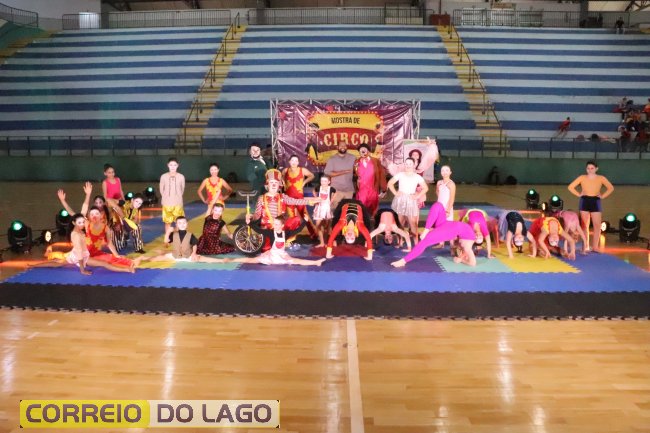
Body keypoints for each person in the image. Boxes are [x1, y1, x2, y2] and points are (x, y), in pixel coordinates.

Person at [33, 213, 138, 274]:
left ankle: (34, 265)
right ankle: (128, 270)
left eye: (83, 222)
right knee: (104, 264)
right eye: (79, 223)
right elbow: (79, 252)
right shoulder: (75, 234)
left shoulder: (79, 230)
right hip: (80, 256)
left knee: (58, 263)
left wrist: (87, 196)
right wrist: (82, 269)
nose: (82, 224)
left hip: (79, 254)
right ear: (74, 223)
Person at [203, 217, 326, 267]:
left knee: (296, 261)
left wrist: (305, 221)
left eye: (277, 224)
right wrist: (250, 223)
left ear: (282, 225)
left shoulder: (286, 233)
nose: (275, 226)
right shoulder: (271, 232)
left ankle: (316, 262)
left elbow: (297, 230)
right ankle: (230, 260)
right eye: (274, 224)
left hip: (281, 255)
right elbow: (258, 229)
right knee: (251, 260)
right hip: (271, 256)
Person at [248, 169, 320, 251]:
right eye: (271, 182)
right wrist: (251, 217)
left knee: (296, 219)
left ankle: (286, 240)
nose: (274, 184)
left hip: (281, 228)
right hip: (268, 230)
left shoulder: (283, 197)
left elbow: (296, 201)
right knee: (266, 249)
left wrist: (310, 201)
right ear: (267, 185)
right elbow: (257, 215)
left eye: (276, 183)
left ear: (279, 185)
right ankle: (274, 242)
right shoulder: (261, 198)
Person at [391, 203, 477, 268]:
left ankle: (403, 261)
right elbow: (471, 260)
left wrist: (461, 260)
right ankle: (426, 229)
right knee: (438, 205)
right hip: (445, 225)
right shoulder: (468, 244)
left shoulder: (467, 246)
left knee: (425, 241)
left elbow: (473, 263)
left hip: (450, 230)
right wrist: (461, 258)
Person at [567, 161, 614, 252]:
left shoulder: (601, 178)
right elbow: (570, 187)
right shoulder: (582, 177)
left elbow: (611, 188)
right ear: (586, 169)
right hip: (584, 201)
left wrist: (603, 196)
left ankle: (595, 247)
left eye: (592, 168)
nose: (590, 170)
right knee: (585, 225)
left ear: (596, 169)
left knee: (597, 225)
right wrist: (578, 194)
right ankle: (586, 246)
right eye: (588, 168)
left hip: (596, 201)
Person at [387, 158, 428, 244]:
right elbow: (390, 183)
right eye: (406, 164)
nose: (408, 165)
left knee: (413, 223)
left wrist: (417, 196)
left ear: (414, 165)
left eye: (410, 164)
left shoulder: (417, 176)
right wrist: (395, 193)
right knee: (400, 222)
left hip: (411, 200)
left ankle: (416, 243)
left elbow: (425, 188)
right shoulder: (400, 174)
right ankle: (400, 241)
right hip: (400, 200)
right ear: (404, 165)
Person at [282, 154, 317, 241]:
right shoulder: (285, 170)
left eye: (296, 161)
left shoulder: (302, 170)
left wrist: (304, 182)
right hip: (289, 199)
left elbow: (312, 175)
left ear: (298, 162)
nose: (294, 162)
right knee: (291, 218)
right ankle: (291, 236)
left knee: (305, 216)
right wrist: (283, 183)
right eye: (292, 160)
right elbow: (281, 178)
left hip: (299, 198)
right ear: (289, 161)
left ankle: (313, 234)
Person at [354, 144, 386, 216]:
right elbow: (355, 175)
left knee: (373, 209)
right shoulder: (356, 162)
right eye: (361, 150)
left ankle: (372, 220)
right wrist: (356, 179)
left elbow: (381, 175)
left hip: (373, 189)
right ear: (359, 152)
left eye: (364, 149)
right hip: (362, 190)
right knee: (361, 208)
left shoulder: (375, 161)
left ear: (368, 151)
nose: (363, 151)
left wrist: (384, 189)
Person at [324, 142, 356, 210]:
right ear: (337, 147)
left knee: (347, 210)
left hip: (348, 190)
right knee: (334, 210)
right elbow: (327, 172)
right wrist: (343, 172)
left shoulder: (353, 158)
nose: (343, 147)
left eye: (344, 146)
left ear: (346, 147)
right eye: (341, 146)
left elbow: (358, 170)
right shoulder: (332, 159)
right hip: (336, 190)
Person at [159, 157, 185, 236]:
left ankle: (177, 237)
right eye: (171, 165)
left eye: (174, 165)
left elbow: (182, 189)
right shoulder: (163, 176)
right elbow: (161, 189)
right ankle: (167, 238)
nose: (173, 167)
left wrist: (178, 197)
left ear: (178, 165)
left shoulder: (181, 176)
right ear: (168, 165)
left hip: (178, 203)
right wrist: (166, 198)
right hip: (167, 203)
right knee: (167, 222)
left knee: (179, 222)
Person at [312, 174, 335, 248]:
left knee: (326, 226)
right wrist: (316, 198)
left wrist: (331, 201)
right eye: (322, 181)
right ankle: (322, 242)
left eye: (325, 181)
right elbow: (313, 190)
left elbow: (335, 193)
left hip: (326, 209)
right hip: (319, 208)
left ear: (329, 182)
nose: (323, 182)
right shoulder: (319, 187)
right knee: (318, 225)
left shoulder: (331, 188)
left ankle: (326, 241)